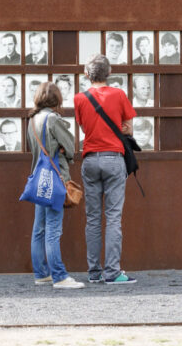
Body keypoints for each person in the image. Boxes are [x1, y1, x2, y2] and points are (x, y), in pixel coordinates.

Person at [74, 54, 137, 285]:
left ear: (87, 75)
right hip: (113, 158)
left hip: (90, 159)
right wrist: (117, 128)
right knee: (113, 218)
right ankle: (112, 272)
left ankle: (94, 273)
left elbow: (84, 127)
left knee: (92, 219)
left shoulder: (80, 98)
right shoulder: (119, 95)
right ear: (109, 73)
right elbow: (128, 129)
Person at [26, 81, 82, 289]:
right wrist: (62, 150)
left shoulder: (32, 120)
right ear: (57, 99)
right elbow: (69, 147)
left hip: (39, 179)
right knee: (53, 229)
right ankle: (59, 276)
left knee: (38, 229)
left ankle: (41, 273)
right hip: (56, 179)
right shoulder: (53, 119)